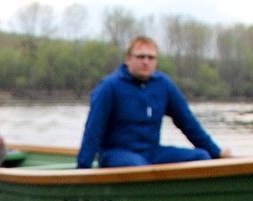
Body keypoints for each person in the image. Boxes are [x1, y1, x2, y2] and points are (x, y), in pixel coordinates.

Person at [77, 37, 232, 169]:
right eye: (140, 57)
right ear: (129, 59)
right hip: (116, 154)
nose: (146, 62)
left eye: (151, 57)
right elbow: (93, 131)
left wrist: (216, 152)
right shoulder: (109, 87)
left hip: (152, 152)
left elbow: (188, 123)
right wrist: (83, 169)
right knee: (138, 167)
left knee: (201, 156)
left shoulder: (164, 85)